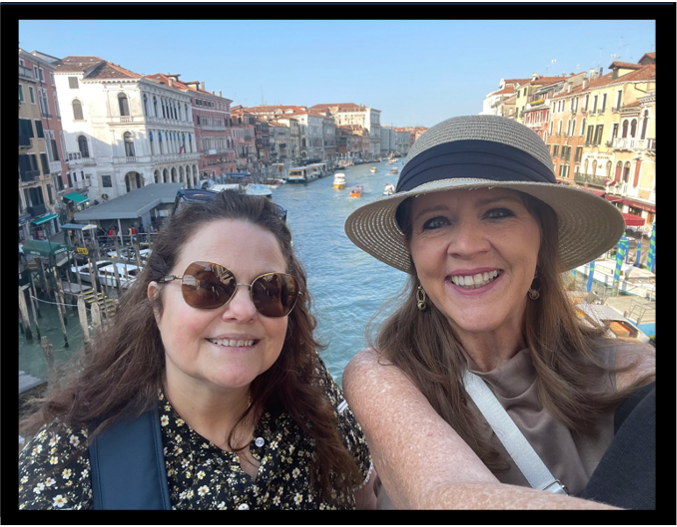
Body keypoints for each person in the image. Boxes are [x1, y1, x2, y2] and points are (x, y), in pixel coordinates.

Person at [342, 115, 655, 510]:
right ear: (413, 252)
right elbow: (442, 496)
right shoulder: (380, 376)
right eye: (435, 222)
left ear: (543, 235)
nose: (467, 245)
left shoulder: (629, 372)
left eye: (498, 213)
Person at [19, 190, 375, 510]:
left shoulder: (315, 392)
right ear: (157, 304)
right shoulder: (64, 464)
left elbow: (363, 497)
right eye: (208, 285)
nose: (244, 310)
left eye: (269, 289)